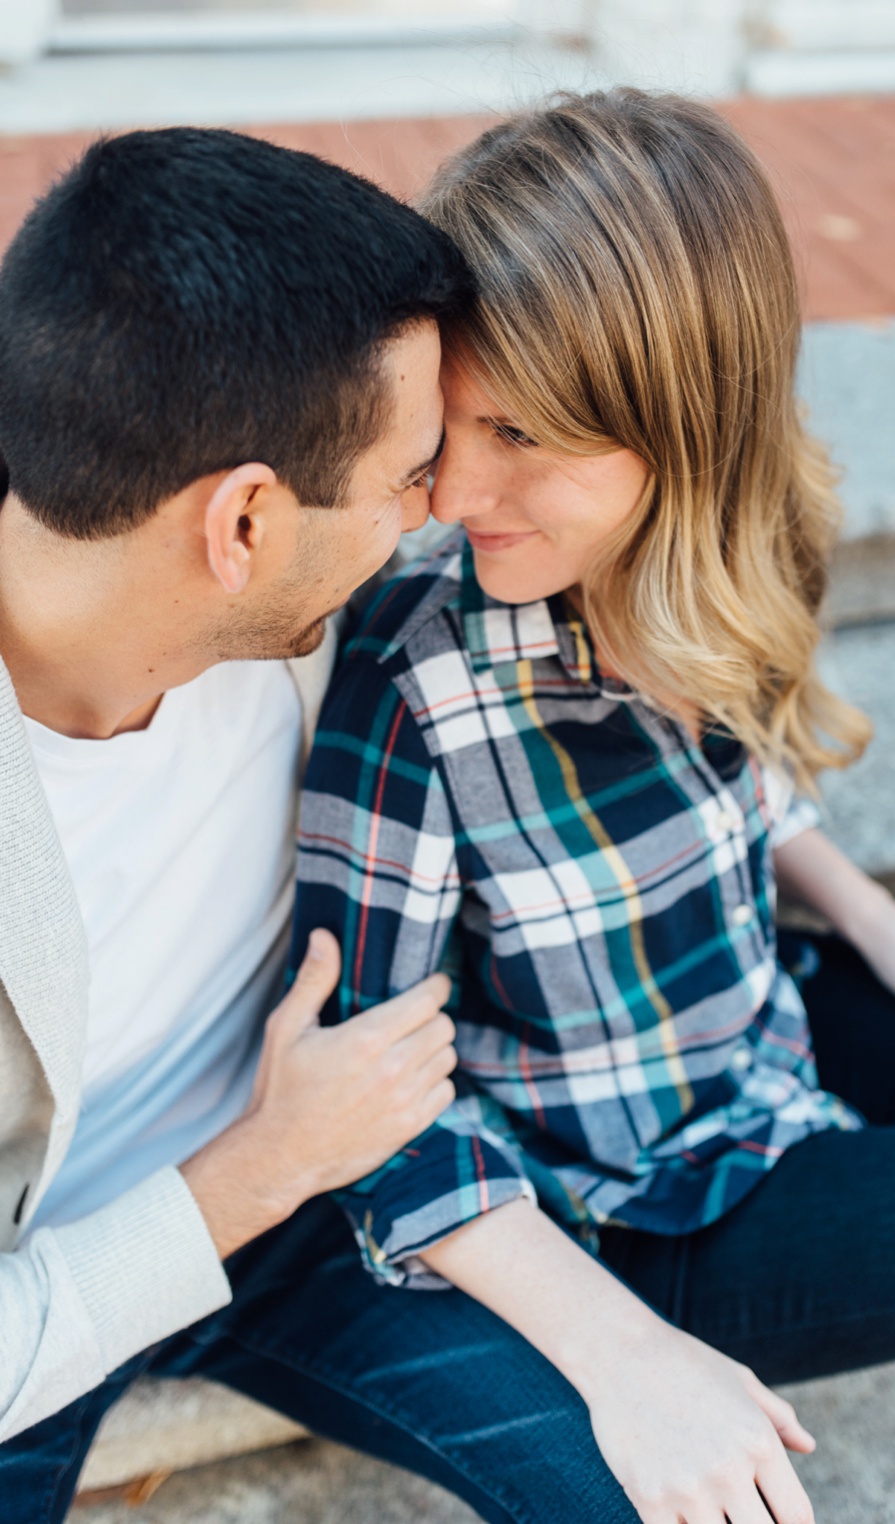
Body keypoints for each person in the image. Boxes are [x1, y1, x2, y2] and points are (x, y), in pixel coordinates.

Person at [293, 89, 895, 1524]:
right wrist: (622, 1358)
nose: (453, 492)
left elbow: (741, 777)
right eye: (453, 426)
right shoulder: (416, 678)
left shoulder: (743, 552)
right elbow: (362, 1104)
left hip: (764, 1040)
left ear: (682, 431)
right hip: (618, 1207)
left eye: (519, 437)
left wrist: (879, 918)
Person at [0, 127, 470, 1480]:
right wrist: (264, 1168)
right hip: (85, 1274)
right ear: (245, 525)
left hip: (313, 1217)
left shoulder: (243, 590)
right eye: (408, 479)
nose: (435, 516)